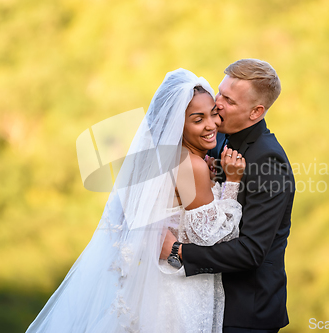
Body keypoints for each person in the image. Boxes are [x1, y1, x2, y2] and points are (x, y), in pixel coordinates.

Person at [26, 68, 246, 333]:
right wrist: (231, 182)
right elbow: (216, 236)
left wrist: (209, 182)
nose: (211, 125)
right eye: (198, 119)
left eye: (213, 113)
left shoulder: (153, 159)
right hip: (178, 289)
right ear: (178, 124)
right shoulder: (192, 165)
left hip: (148, 287)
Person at [161, 59, 295, 333]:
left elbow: (251, 251)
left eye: (229, 101)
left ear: (256, 111)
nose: (217, 103)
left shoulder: (267, 160)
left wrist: (180, 252)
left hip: (245, 313)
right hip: (205, 302)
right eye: (220, 92)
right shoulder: (217, 139)